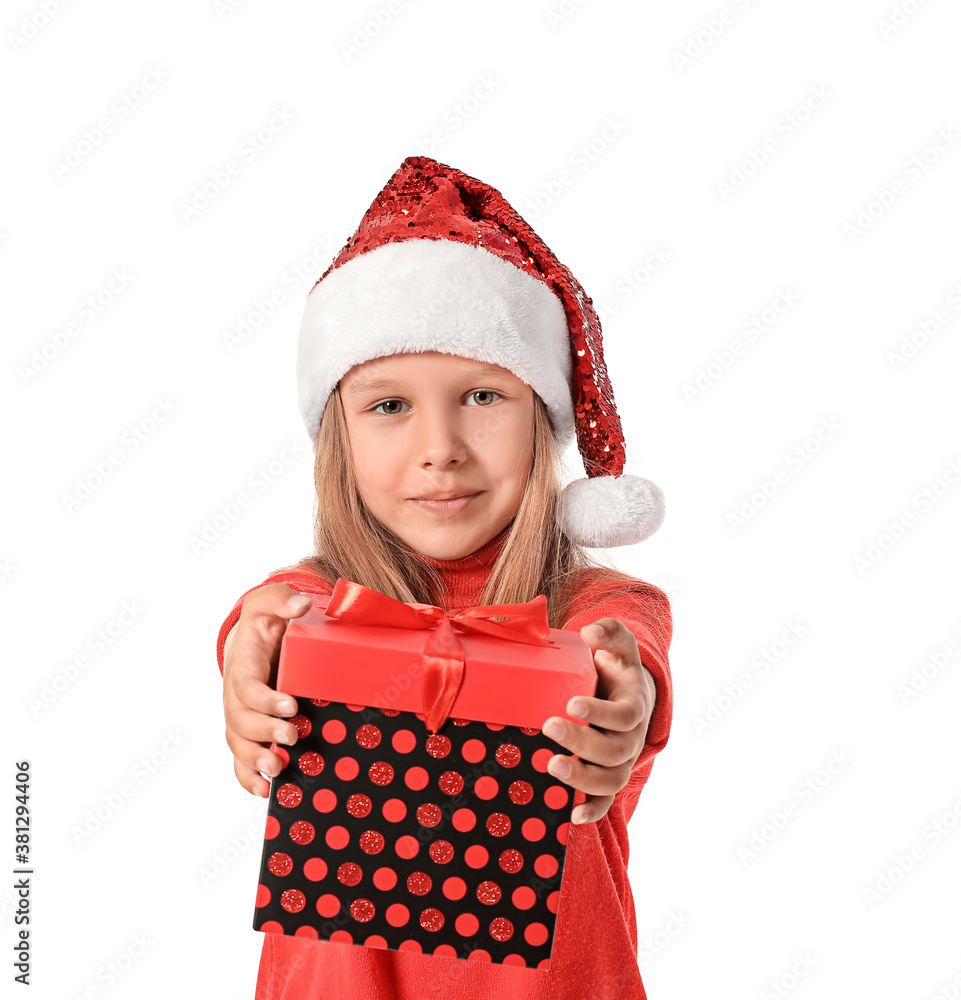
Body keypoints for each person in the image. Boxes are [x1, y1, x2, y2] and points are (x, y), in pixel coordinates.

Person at [216, 155, 674, 1000]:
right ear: (338, 442)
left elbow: (629, 665)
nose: (441, 448)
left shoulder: (599, 610)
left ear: (543, 420)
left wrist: (621, 705)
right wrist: (253, 659)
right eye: (389, 406)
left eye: (481, 397)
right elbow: (270, 620)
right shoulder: (315, 600)